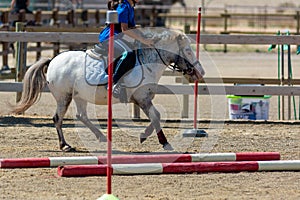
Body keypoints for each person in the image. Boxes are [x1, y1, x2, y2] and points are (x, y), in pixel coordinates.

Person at [98, 0, 153, 99]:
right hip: (109, 37)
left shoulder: (129, 6)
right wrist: (143, 40)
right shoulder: (123, 7)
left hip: (117, 37)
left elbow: (131, 27)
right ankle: (113, 83)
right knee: (129, 53)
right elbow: (125, 29)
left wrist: (143, 36)